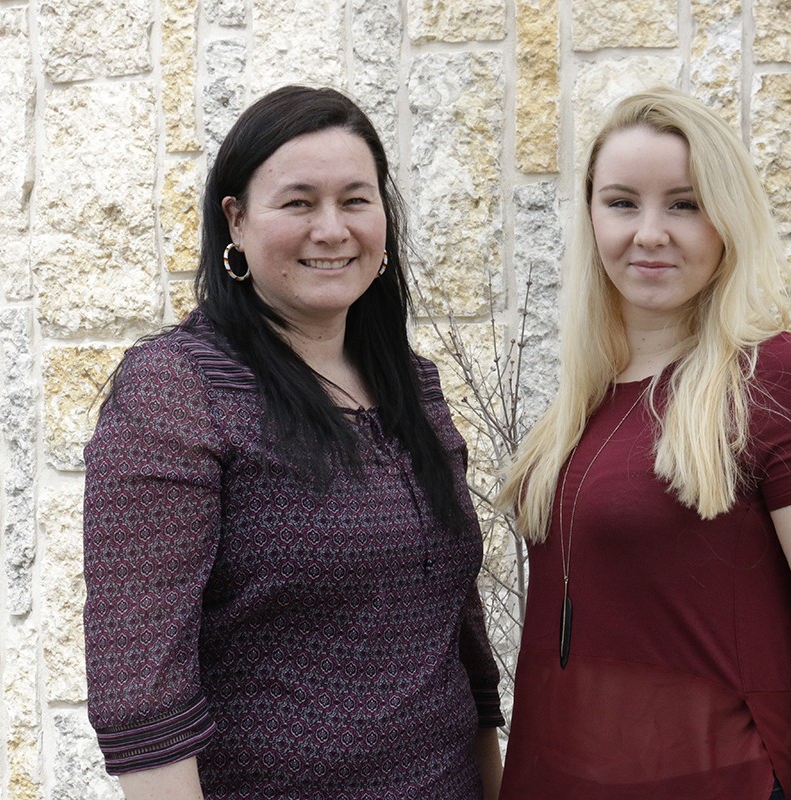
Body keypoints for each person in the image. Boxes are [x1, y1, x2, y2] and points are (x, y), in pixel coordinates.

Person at [82, 85, 504, 800]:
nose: (332, 229)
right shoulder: (179, 390)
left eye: (355, 199)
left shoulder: (412, 386)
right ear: (236, 221)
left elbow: (458, 632)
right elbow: (141, 686)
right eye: (299, 201)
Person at [496, 87, 791, 800]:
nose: (649, 233)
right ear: (590, 217)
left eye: (683, 203)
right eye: (621, 203)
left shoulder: (784, 381)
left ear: (727, 219)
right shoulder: (584, 398)